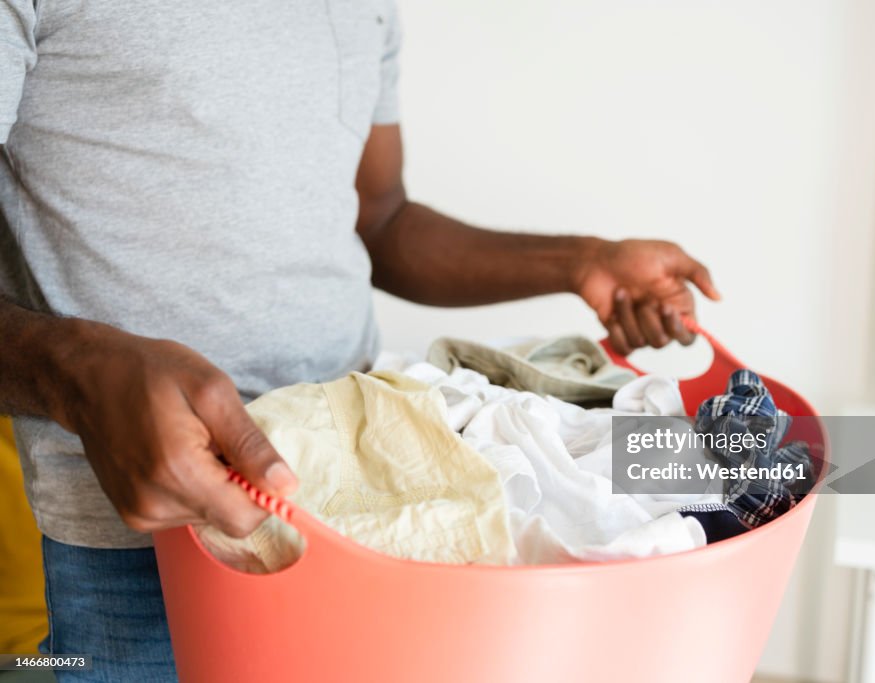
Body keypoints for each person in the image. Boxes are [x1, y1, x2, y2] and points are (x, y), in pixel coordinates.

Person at [0, 2, 719, 680]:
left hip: (373, 502)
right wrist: (77, 374)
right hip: (139, 547)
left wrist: (580, 261)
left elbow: (381, 217)